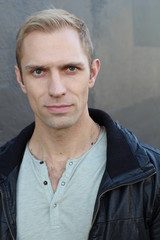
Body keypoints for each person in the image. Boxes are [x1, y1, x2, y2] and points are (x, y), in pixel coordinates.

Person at [0, 8, 160, 240]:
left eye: (70, 69)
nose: (56, 90)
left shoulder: (152, 177)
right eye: (38, 71)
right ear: (20, 79)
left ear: (92, 73)